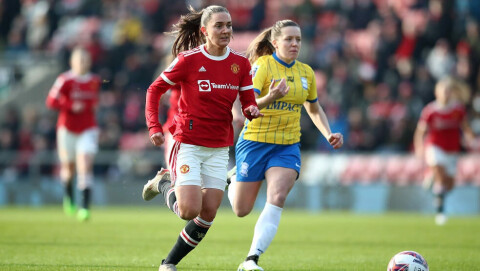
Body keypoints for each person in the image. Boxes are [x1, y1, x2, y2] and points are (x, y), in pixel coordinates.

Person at [141, 5, 285, 271]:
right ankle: (164, 182)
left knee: (208, 214)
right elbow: (154, 89)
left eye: (229, 25)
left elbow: (247, 102)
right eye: (219, 25)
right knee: (188, 210)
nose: (226, 30)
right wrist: (153, 127)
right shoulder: (188, 60)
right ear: (204, 30)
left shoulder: (240, 64)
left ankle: (169, 263)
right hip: (188, 142)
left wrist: (252, 110)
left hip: (219, 146)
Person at [227, 20, 344, 271]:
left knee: (277, 196)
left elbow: (312, 107)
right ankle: (234, 177)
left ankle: (251, 259)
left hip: (287, 145)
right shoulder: (262, 66)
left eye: (298, 40)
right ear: (275, 42)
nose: (294, 44)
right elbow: (247, 106)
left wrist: (328, 133)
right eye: (289, 39)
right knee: (241, 209)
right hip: (255, 142)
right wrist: (271, 96)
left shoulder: (306, 72)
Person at [45, 46, 101, 221]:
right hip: (67, 129)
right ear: (72, 62)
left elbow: (94, 101)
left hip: (88, 128)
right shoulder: (65, 80)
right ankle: (69, 195)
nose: (83, 63)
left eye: (86, 60)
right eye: (80, 60)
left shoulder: (95, 80)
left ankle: (85, 207)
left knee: (85, 164)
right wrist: (70, 105)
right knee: (68, 169)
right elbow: (51, 101)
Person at [414, 77, 476, 226]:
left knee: (449, 184)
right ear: (437, 92)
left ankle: (431, 174)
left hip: (452, 150)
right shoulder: (430, 111)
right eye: (443, 91)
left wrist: (469, 136)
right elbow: (420, 131)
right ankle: (441, 212)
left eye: (448, 91)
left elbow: (465, 126)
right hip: (435, 147)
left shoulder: (457, 109)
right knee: (440, 178)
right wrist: (419, 147)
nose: (446, 94)